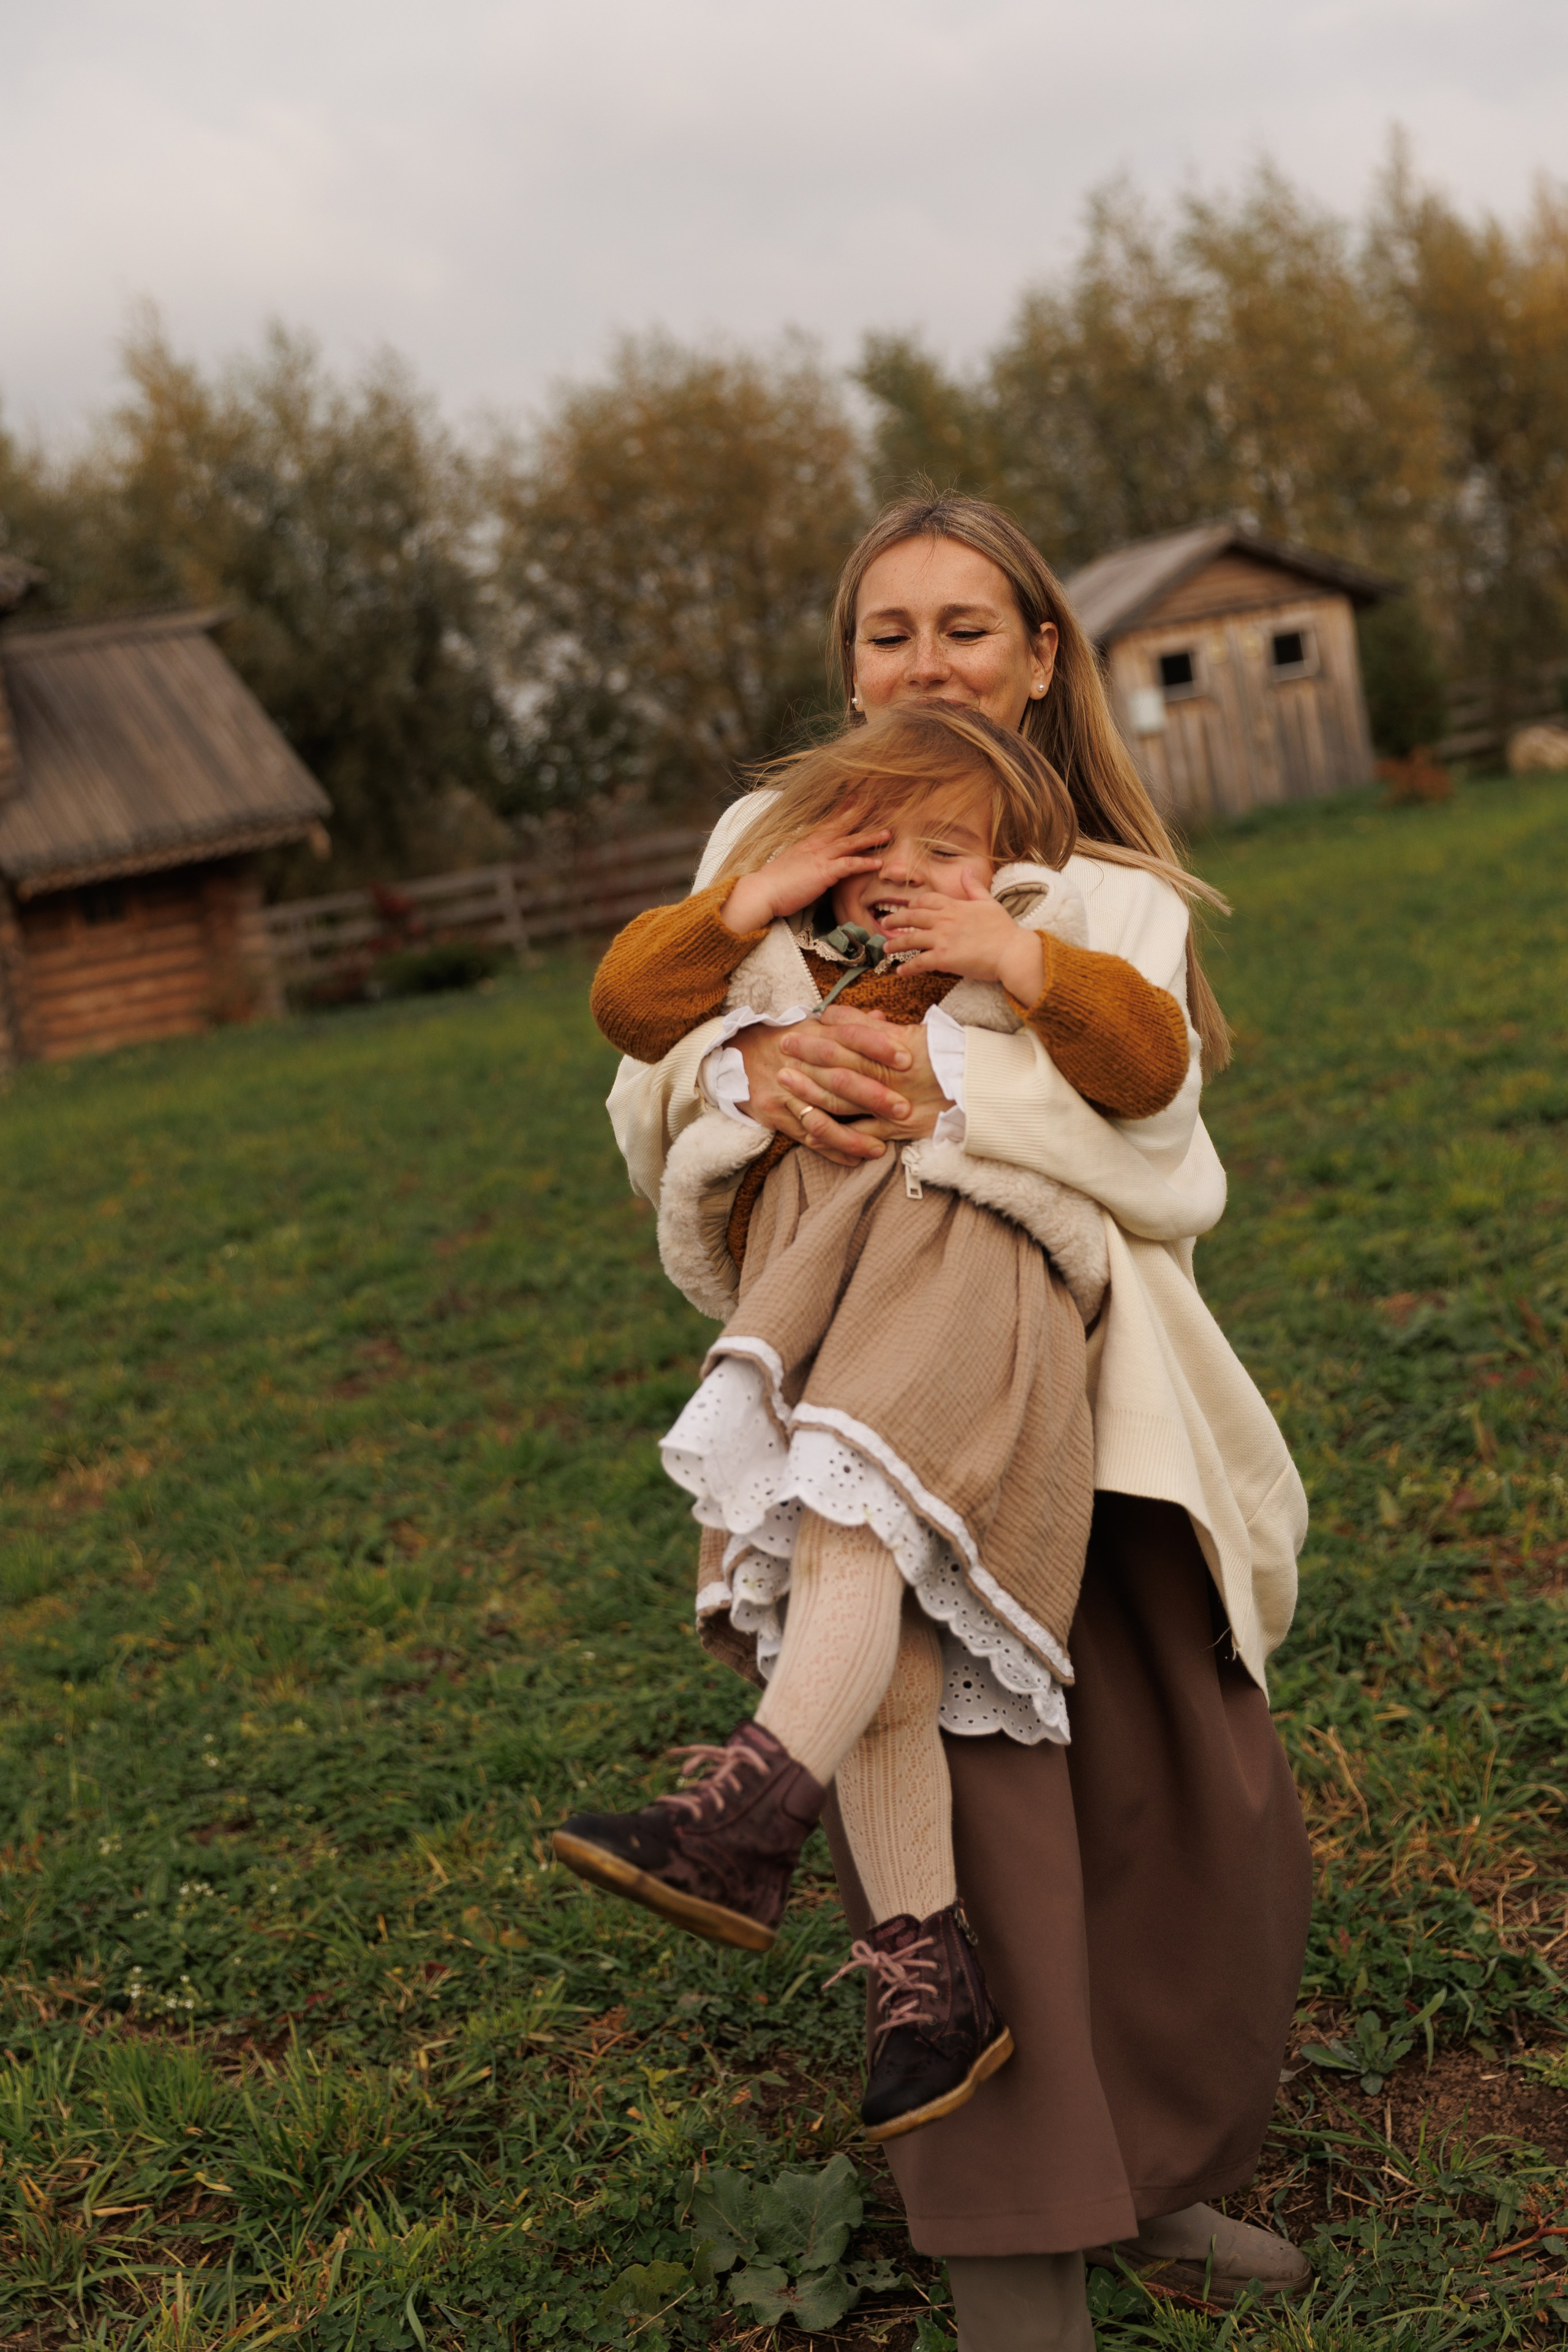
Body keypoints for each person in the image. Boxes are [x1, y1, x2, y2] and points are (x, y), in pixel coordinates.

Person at [597, 493, 1315, 2351]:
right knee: (972, 1801)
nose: (927, 662)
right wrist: (761, 1064)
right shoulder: (779, 856)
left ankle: (1150, 2172)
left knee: (1184, 1796)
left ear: (1043, 655)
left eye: (967, 627)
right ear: (850, 664)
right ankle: (1016, 2265)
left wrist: (952, 1073)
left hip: (1100, 1389)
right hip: (875, 1356)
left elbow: (1162, 1144)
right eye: (889, 632)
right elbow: (650, 1079)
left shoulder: (1091, 891)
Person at [557, 703, 1191, 2144]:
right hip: (827, 1297)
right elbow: (628, 1007)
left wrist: (1008, 950)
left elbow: (1147, 1064)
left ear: (1011, 863)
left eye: (945, 849)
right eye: (870, 848)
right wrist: (754, 899)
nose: (904, 876)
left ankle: (741, 1821)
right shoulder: (787, 960)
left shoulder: (1031, 942)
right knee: (878, 1645)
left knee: (849, 1516)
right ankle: (930, 1982)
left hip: (960, 1277)